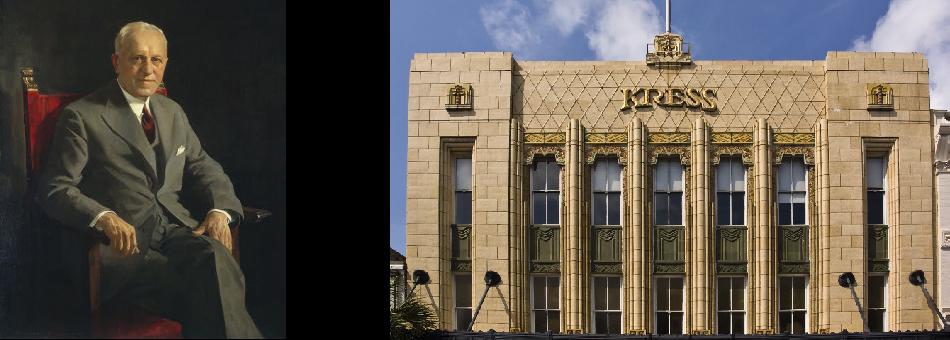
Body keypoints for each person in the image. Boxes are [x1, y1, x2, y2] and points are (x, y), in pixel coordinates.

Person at [37, 21, 261, 338]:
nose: (148, 70)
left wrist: (220, 211)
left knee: (212, 257)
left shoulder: (172, 111)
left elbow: (202, 165)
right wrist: (103, 217)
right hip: (123, 252)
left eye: (156, 60)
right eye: (137, 58)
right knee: (211, 288)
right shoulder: (82, 116)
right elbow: (55, 189)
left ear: (166, 64)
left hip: (176, 232)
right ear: (117, 62)